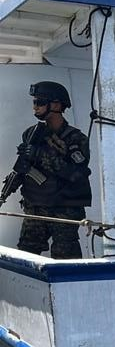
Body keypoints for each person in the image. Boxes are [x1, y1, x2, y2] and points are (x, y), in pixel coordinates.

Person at [5, 81, 92, 259]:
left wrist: (40, 154)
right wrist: (11, 184)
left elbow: (75, 174)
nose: (35, 107)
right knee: (26, 256)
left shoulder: (76, 139)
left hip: (64, 209)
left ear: (57, 105)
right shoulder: (31, 133)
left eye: (40, 102)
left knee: (65, 259)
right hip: (35, 206)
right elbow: (24, 167)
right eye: (34, 102)